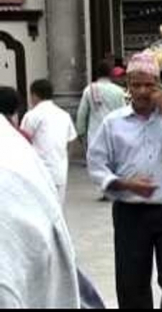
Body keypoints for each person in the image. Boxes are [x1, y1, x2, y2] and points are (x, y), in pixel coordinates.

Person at [87, 51, 162, 309]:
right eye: (136, 84)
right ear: (128, 87)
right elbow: (96, 165)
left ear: (159, 87)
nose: (142, 91)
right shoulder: (113, 123)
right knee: (132, 285)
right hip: (129, 214)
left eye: (149, 85)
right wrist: (125, 184)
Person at [0, 114, 80, 308]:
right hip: (45, 174)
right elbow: (73, 140)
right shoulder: (12, 139)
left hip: (37, 177)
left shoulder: (29, 120)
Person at [20, 79, 77, 206]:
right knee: (57, 208)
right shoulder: (64, 115)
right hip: (60, 170)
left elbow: (23, 141)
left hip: (39, 171)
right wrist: (64, 159)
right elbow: (71, 140)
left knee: (40, 209)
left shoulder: (32, 115)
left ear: (34, 95)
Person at [76, 61, 127, 149]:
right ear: (110, 74)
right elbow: (124, 113)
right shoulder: (119, 91)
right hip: (114, 135)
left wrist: (80, 132)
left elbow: (82, 114)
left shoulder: (89, 90)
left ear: (97, 73)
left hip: (95, 135)